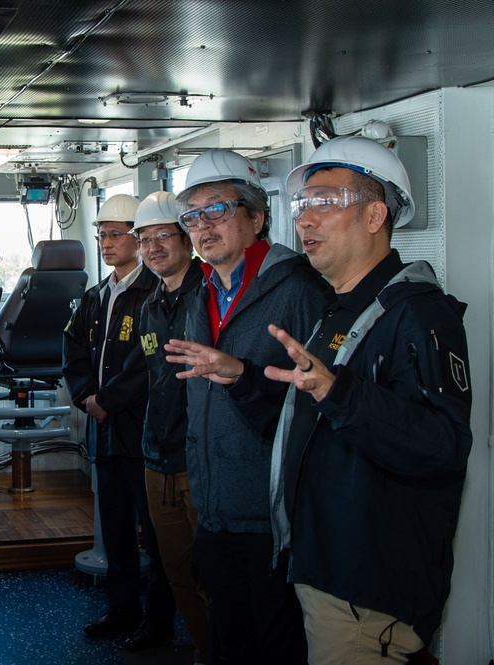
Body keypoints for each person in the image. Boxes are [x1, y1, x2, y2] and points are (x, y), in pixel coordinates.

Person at [264, 136, 472, 664]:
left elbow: (441, 445)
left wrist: (341, 393)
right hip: (324, 568)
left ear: (376, 214)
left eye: (325, 203)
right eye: (301, 206)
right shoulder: (340, 309)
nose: (305, 221)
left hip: (365, 593)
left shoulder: (419, 316)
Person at [163, 149, 327, 664]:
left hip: (273, 519)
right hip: (214, 510)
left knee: (276, 647)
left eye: (218, 209)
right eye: (191, 215)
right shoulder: (201, 295)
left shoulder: (299, 290)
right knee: (229, 643)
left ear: (257, 217)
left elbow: (319, 407)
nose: (202, 225)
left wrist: (241, 375)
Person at [63, 193, 177, 650]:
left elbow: (150, 362)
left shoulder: (157, 293)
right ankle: (122, 608)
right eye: (101, 235)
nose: (106, 243)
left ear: (137, 237)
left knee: (156, 531)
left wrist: (108, 399)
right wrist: (85, 396)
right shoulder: (95, 296)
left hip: (144, 432)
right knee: (114, 528)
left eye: (115, 234)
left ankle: (159, 621)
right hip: (104, 431)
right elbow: (72, 349)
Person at [134, 191, 209, 664]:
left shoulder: (212, 297)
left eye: (163, 236)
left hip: (199, 460)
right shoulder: (149, 306)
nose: (153, 247)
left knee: (215, 573)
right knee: (177, 570)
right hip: (156, 458)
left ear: (188, 240)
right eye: (144, 239)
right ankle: (205, 651)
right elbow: (153, 379)